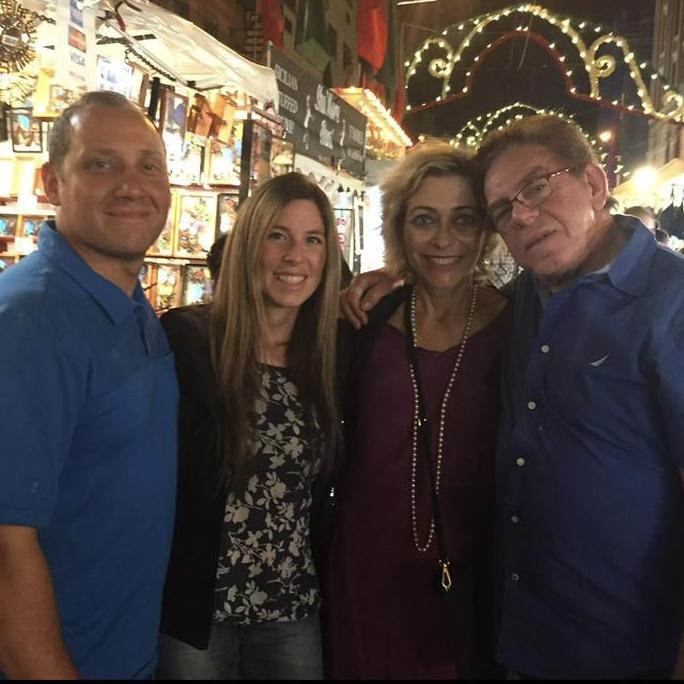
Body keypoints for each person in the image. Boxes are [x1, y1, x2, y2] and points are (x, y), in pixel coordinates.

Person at [343, 115, 684, 679]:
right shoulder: (523, 300)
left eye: (538, 186)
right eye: (502, 209)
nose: (522, 215)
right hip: (519, 634)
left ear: (595, 183)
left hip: (629, 646)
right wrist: (394, 277)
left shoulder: (670, 301)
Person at [0, 90, 178, 679]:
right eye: (101, 164)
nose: (132, 186)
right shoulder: (28, 321)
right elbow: (5, 550)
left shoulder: (128, 304)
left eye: (149, 166)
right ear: (52, 183)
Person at [326, 142, 509, 679]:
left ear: (486, 231)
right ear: (399, 229)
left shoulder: (519, 327)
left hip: (469, 577)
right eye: (425, 220)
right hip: (365, 564)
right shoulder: (364, 319)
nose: (444, 240)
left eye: (464, 220)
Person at [156, 172, 341, 680]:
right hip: (198, 609)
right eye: (277, 236)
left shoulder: (329, 356)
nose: (295, 256)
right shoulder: (189, 341)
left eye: (312, 240)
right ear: (248, 246)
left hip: (290, 604)